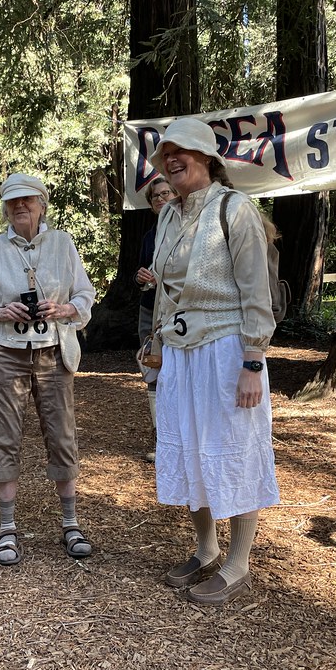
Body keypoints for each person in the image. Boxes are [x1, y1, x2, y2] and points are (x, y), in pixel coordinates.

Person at [148, 117, 280, 606]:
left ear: (206, 156)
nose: (171, 159)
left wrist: (253, 360)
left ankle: (238, 562)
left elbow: (255, 290)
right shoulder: (167, 215)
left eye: (181, 150)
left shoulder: (234, 209)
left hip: (227, 348)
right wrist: (159, 342)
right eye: (165, 153)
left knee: (235, 446)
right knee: (186, 446)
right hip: (181, 353)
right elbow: (167, 289)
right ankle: (206, 549)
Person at [0, 173, 95, 566]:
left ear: (42, 204)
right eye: (13, 202)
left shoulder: (62, 242)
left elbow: (85, 294)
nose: (21, 207)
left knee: (62, 434)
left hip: (53, 351)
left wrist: (65, 309)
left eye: (28, 201)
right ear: (5, 208)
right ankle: (7, 528)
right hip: (5, 352)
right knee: (4, 435)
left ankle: (70, 522)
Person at [134, 176, 176, 462]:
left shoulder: (190, 228)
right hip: (150, 310)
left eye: (165, 193)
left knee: (179, 371)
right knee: (152, 367)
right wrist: (141, 278)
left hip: (178, 313)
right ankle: (161, 438)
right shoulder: (150, 236)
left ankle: (181, 439)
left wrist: (163, 279)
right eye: (155, 197)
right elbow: (138, 273)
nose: (160, 199)